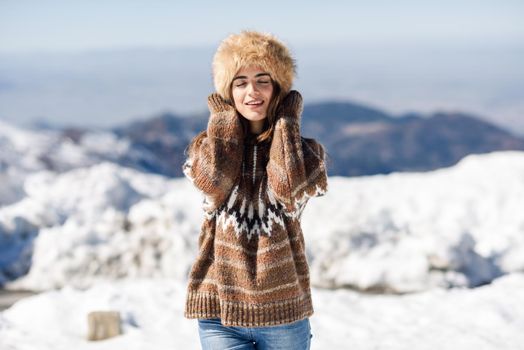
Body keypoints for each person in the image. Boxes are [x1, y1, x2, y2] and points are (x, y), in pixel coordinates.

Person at [182, 30, 329, 350]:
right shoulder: (205, 150)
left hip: (283, 313)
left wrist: (287, 121)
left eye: (263, 80)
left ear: (278, 87)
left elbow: (287, 187)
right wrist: (222, 119)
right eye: (240, 82)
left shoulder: (308, 154)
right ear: (227, 91)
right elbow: (215, 182)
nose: (253, 91)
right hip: (219, 311)